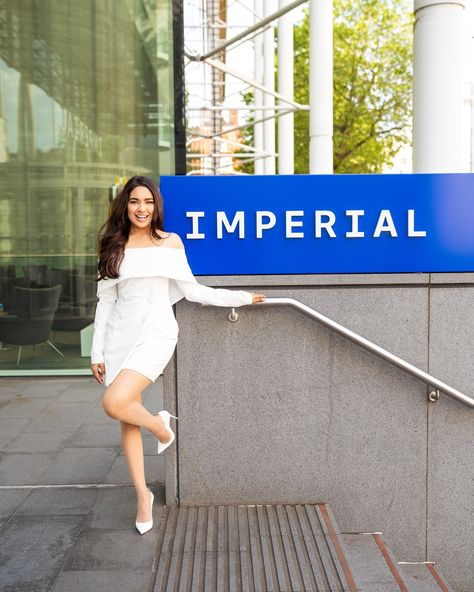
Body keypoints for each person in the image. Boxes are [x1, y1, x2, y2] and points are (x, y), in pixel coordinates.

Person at [90, 175, 265, 535]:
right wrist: (97, 351)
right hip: (119, 338)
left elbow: (193, 291)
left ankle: (158, 424)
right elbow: (105, 303)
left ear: (156, 207)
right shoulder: (113, 246)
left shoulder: (170, 243)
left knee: (115, 402)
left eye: (148, 202)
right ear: (125, 205)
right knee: (126, 417)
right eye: (135, 202)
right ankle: (142, 495)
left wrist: (240, 298)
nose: (142, 209)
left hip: (156, 334)